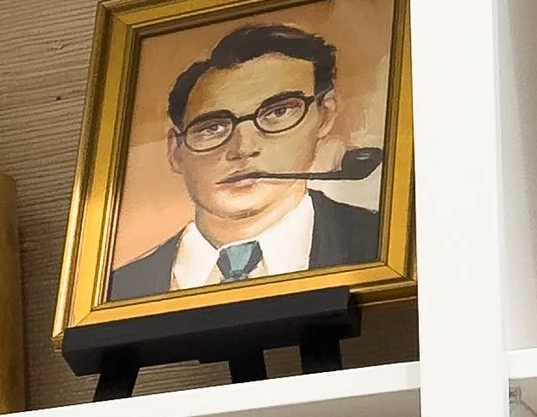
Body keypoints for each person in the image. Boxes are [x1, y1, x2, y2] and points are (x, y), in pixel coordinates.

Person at [106, 22, 385, 299]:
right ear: (175, 151)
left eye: (277, 113)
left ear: (324, 116)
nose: (243, 148)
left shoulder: (382, 242)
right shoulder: (120, 290)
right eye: (212, 127)